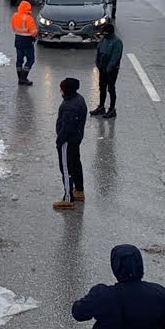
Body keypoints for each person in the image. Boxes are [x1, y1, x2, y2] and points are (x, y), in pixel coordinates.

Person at [53, 77, 87, 210]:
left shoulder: (68, 107)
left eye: (61, 88)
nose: (60, 91)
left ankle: (68, 198)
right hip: (76, 139)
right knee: (76, 163)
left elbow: (66, 128)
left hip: (67, 141)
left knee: (66, 168)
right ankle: (79, 190)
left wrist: (59, 141)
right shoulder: (79, 99)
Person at [91, 23, 123, 118]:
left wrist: (109, 68)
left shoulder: (117, 42)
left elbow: (115, 57)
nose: (104, 35)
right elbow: (99, 51)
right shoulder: (103, 40)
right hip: (102, 68)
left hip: (111, 70)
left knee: (111, 88)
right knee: (102, 87)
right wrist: (98, 63)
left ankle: (112, 109)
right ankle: (101, 107)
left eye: (106, 33)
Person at [10, 0, 38, 86]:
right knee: (30, 59)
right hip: (27, 41)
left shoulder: (15, 16)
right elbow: (33, 32)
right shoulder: (28, 18)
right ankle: (23, 77)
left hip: (18, 40)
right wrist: (37, 33)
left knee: (19, 60)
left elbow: (13, 27)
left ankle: (20, 78)